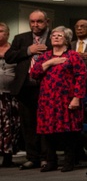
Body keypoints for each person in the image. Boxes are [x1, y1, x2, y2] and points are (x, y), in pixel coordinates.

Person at [29, 26, 87, 172]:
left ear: (66, 39)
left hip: (66, 99)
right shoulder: (45, 56)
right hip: (47, 100)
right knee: (48, 132)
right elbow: (34, 73)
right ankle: (51, 161)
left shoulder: (73, 56)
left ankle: (69, 161)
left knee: (68, 132)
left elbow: (81, 77)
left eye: (59, 35)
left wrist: (76, 98)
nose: (55, 37)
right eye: (53, 35)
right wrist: (49, 63)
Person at [3, 10, 51, 169]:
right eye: (32, 22)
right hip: (25, 87)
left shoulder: (54, 37)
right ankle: (32, 157)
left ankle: (46, 157)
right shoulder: (21, 38)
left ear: (47, 22)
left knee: (45, 123)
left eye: (39, 21)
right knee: (28, 124)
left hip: (47, 87)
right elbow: (9, 57)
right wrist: (28, 51)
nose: (35, 25)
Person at [0, 22, 21, 167]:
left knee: (10, 126)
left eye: (1, 31)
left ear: (8, 33)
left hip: (10, 94)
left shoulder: (13, 51)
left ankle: (8, 156)